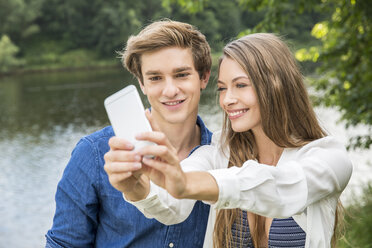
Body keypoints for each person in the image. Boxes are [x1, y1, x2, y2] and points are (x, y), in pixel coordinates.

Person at [109, 33, 353, 247]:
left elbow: (281, 188)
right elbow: (170, 206)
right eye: (223, 88)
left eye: (241, 85)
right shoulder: (218, 152)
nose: (227, 100)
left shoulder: (329, 158)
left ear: (276, 85)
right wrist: (138, 188)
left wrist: (187, 184)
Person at [45, 19, 213, 247]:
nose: (170, 90)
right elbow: (64, 244)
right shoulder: (95, 154)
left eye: (181, 74)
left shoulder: (224, 154)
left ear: (203, 77)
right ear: (141, 84)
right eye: (155, 78)